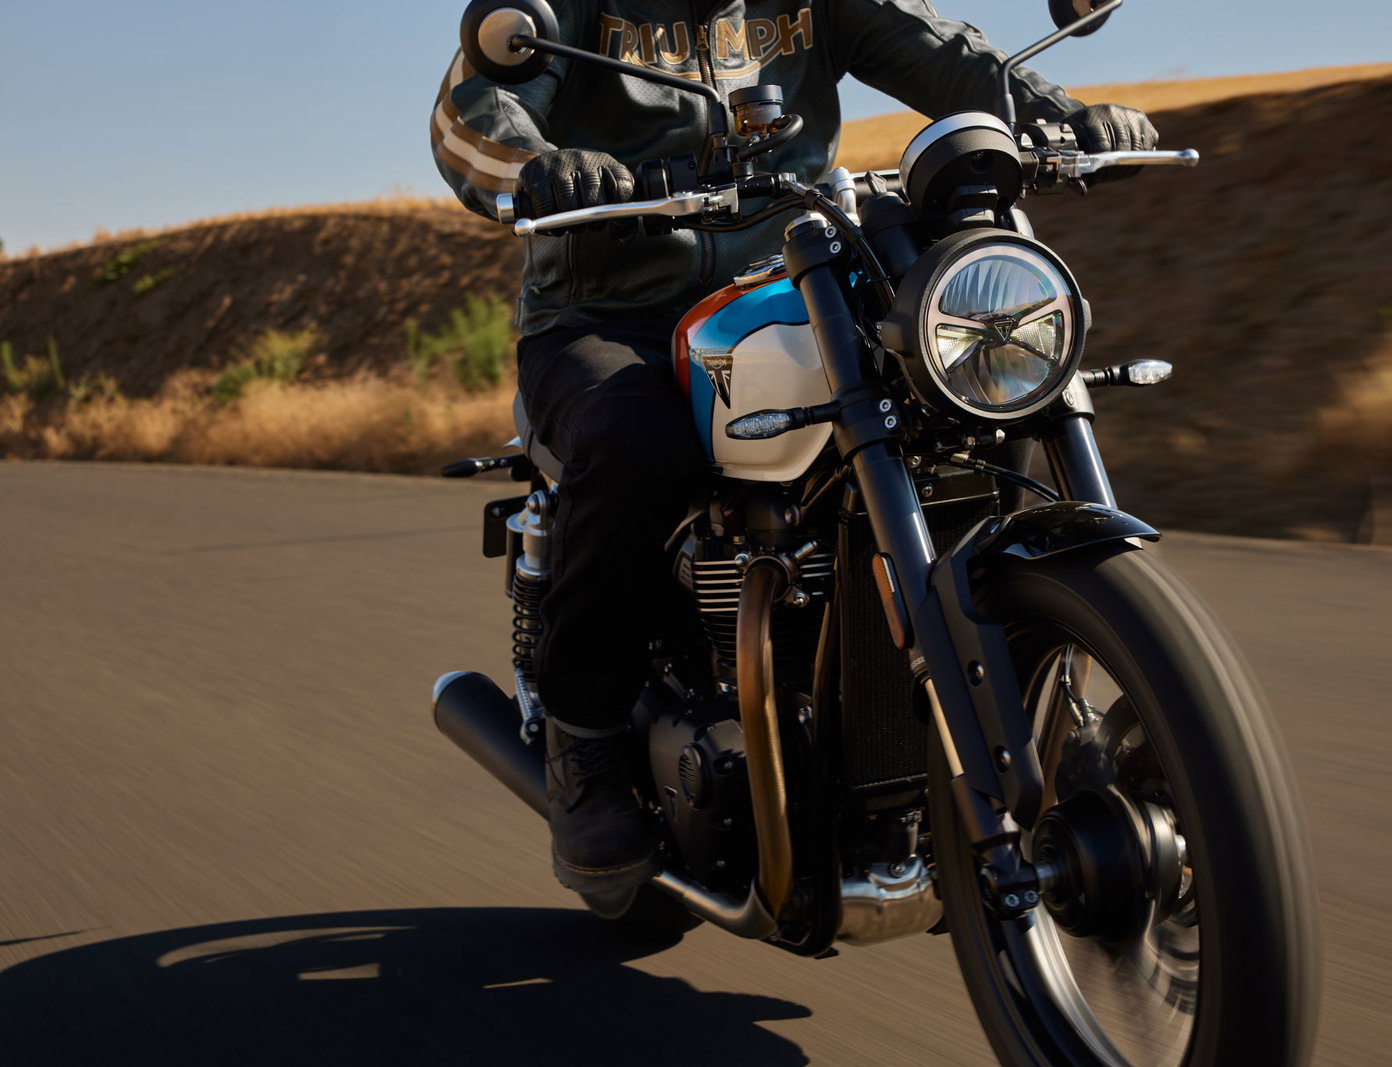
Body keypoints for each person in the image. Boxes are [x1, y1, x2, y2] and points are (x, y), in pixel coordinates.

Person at [432, 0, 1158, 895]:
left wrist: (1057, 113)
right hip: (609, 309)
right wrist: (542, 166)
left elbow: (948, 56)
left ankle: (1013, 696)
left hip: (794, 287)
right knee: (635, 441)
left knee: (974, 398)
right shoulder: (560, 7)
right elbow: (470, 119)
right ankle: (586, 741)